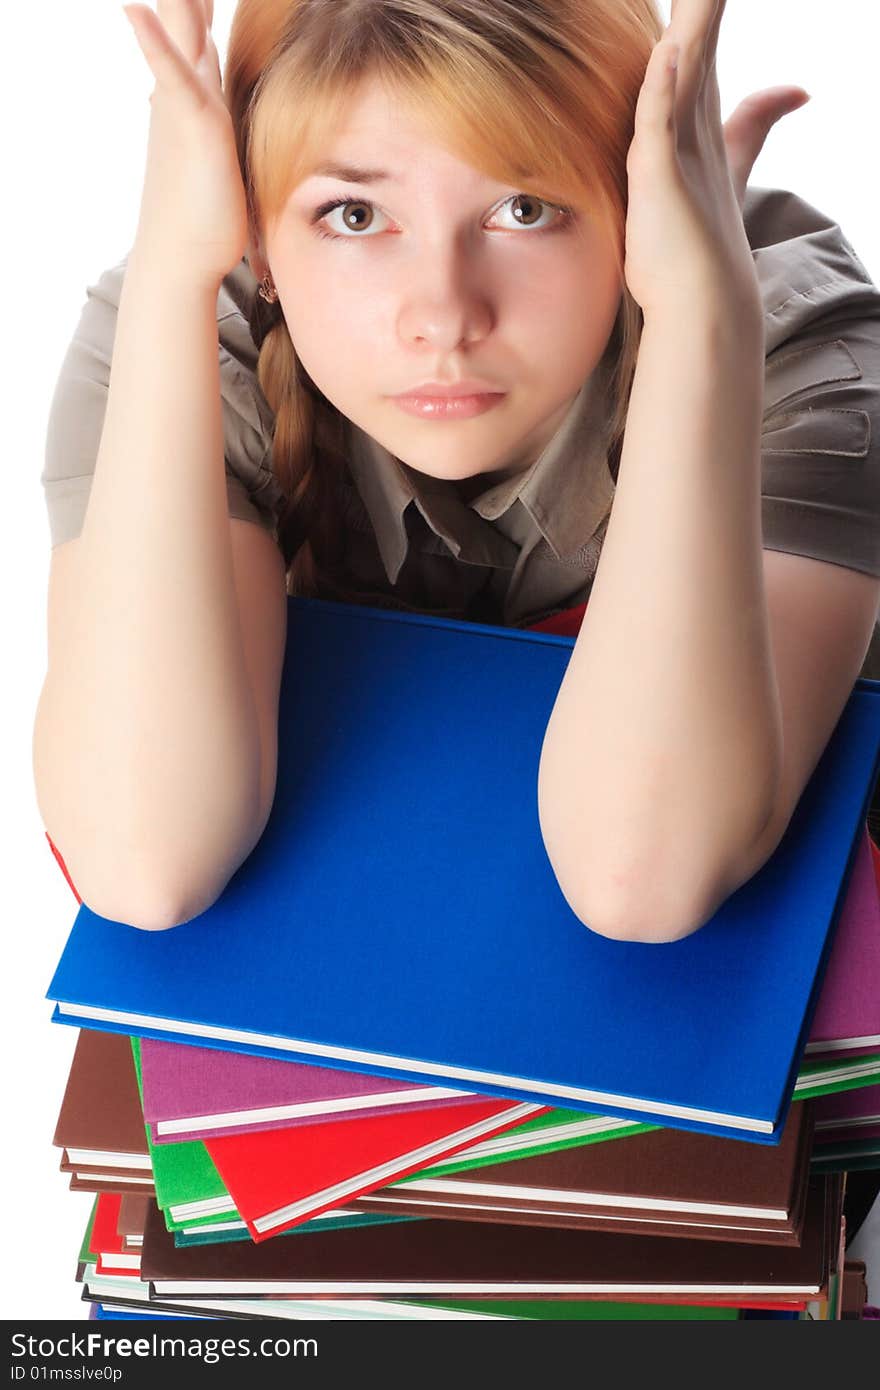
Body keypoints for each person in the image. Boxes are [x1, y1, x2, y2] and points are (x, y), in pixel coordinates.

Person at [33, 0, 880, 946]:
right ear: (259, 243)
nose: (443, 314)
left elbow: (641, 878)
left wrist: (699, 322)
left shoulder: (799, 353)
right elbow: (146, 866)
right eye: (354, 214)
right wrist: (169, 281)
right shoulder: (187, 326)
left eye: (524, 209)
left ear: (639, 205)